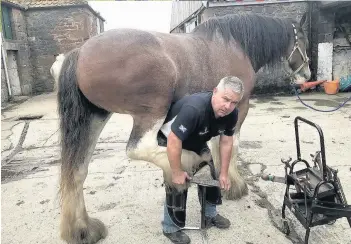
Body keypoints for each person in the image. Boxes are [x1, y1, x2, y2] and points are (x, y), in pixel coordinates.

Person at [158, 76, 244, 244]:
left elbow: (226, 142)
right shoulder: (195, 109)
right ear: (215, 92)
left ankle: (210, 215)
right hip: (170, 139)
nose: (228, 106)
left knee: (212, 172)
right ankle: (171, 227)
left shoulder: (232, 113)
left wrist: (224, 173)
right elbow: (174, 140)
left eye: (234, 102)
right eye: (225, 99)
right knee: (178, 180)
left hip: (196, 139)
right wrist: (176, 172)